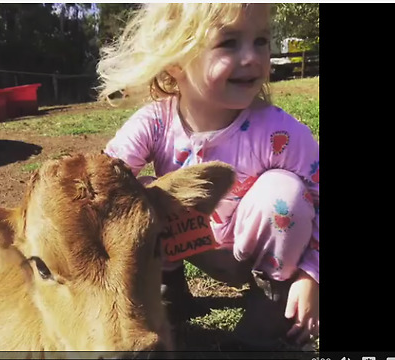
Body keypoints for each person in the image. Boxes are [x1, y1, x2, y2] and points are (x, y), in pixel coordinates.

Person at [95, 3, 319, 351]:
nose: (252, 57)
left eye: (261, 40)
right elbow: (104, 177)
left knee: (285, 196)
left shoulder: (280, 132)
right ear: (175, 59)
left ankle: (269, 311)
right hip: (189, 243)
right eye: (229, 42)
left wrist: (311, 276)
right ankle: (168, 290)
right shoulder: (156, 122)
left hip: (259, 249)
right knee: (136, 193)